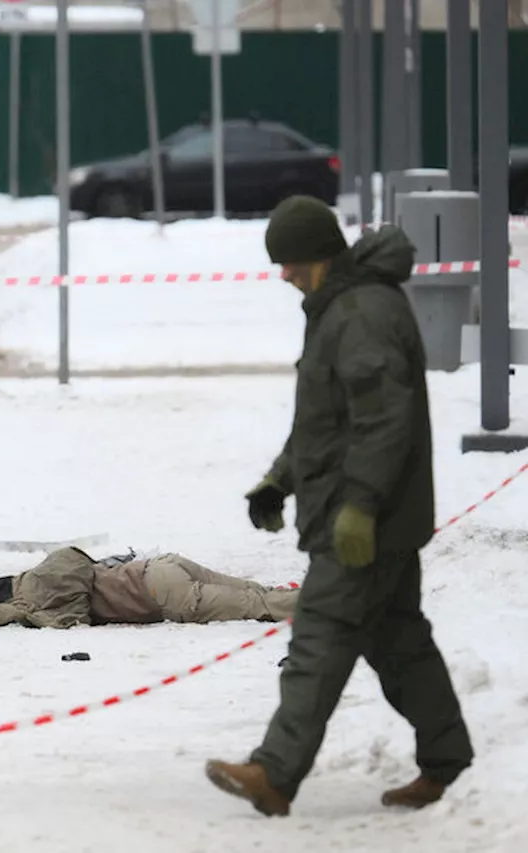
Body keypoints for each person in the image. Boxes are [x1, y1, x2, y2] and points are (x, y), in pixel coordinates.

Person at [204, 196, 473, 817]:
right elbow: (326, 422)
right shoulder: (338, 307)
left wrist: (360, 507)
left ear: (318, 255)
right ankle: (448, 761)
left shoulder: (360, 312)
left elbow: (384, 422)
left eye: (290, 261)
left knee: (319, 638)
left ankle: (274, 773)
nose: (284, 275)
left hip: (366, 523)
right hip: (372, 514)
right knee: (400, 642)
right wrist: (280, 478)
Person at [0, 547, 298, 629]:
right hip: (159, 567)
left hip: (160, 596)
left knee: (260, 606)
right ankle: (328, 591)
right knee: (258, 591)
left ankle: (337, 603)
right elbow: (74, 555)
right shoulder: (41, 571)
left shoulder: (30, 600)